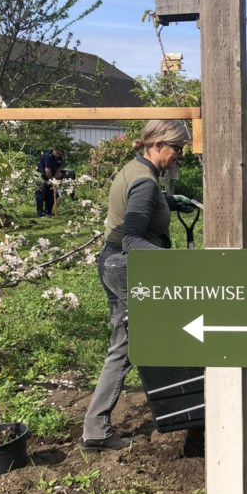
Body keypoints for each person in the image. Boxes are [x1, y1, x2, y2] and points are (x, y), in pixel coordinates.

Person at [81, 120, 193, 451]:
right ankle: (178, 404)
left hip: (112, 262)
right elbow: (131, 239)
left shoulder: (137, 169)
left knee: (124, 344)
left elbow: (139, 210)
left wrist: (169, 203)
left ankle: (95, 427)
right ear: (157, 144)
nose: (180, 156)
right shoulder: (145, 181)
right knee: (134, 344)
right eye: (177, 148)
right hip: (125, 265)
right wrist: (177, 264)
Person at [35, 148, 63, 217]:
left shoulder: (60, 158)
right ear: (54, 150)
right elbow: (47, 169)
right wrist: (51, 179)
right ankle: (40, 213)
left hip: (51, 176)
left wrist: (55, 179)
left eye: (60, 154)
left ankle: (48, 212)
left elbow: (58, 169)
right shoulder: (48, 156)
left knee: (51, 194)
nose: (58, 155)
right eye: (57, 153)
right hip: (41, 176)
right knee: (41, 194)